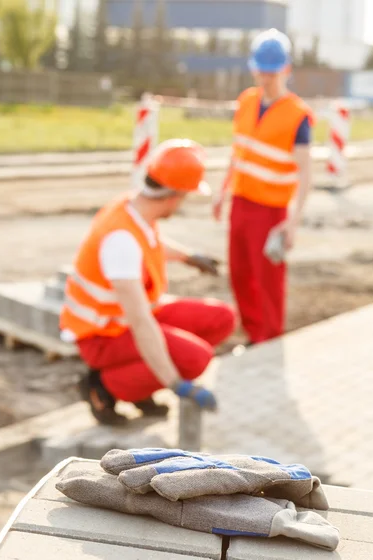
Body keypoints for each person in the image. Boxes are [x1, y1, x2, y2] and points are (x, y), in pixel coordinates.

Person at [60, 139, 236, 425]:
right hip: (102, 335)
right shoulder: (121, 241)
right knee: (195, 359)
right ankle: (103, 386)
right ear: (175, 195)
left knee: (221, 319)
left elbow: (150, 242)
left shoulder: (134, 209)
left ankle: (139, 382)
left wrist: (189, 257)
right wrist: (174, 383)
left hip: (121, 323)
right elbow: (141, 322)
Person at [214, 29, 314, 345]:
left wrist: (293, 222)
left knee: (268, 280)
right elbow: (238, 152)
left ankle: (270, 338)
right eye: (261, 70)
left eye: (271, 71)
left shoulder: (298, 116)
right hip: (240, 203)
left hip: (271, 212)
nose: (265, 77)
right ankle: (254, 335)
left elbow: (306, 175)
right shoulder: (246, 101)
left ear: (286, 69)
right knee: (240, 274)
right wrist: (222, 190)